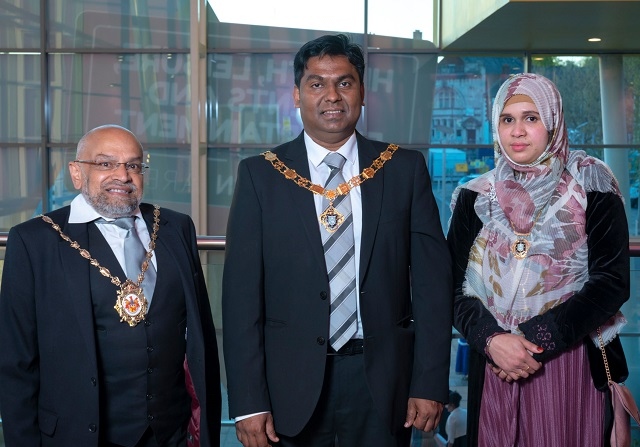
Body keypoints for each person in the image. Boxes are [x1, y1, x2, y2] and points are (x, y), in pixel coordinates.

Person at [222, 33, 453, 447]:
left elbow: (434, 288)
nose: (332, 95)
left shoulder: (402, 169)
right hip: (288, 386)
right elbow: (241, 300)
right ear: (297, 95)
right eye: (316, 84)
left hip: (383, 381)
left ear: (362, 91)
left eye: (344, 82)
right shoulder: (261, 175)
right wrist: (247, 401)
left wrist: (431, 381)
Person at [0, 124, 221, 447]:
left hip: (171, 433)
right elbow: (16, 363)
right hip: (79, 436)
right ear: (76, 173)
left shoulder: (175, 227)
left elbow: (200, 339)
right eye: (105, 164)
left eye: (133, 165)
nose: (123, 175)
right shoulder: (34, 241)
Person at [447, 73, 630, 446]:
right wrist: (493, 340)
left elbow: (611, 283)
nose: (518, 131)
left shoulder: (591, 183)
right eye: (507, 119)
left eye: (531, 118)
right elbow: (450, 286)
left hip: (570, 359)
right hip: (495, 362)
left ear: (552, 122)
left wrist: (529, 342)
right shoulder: (476, 196)